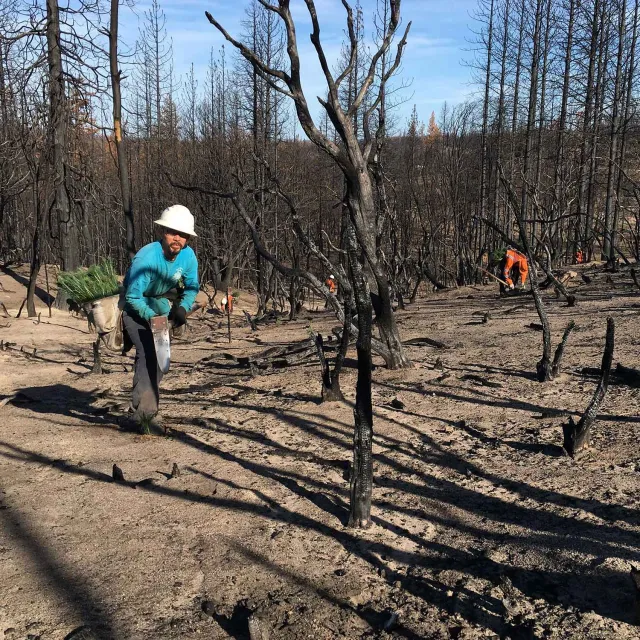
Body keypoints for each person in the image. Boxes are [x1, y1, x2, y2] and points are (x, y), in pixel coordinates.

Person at [122, 204, 199, 432]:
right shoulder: (146, 258)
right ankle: (145, 417)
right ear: (163, 232)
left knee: (161, 360)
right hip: (136, 310)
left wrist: (183, 308)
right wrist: (152, 317)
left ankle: (140, 408)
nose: (177, 238)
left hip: (160, 309)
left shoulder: (188, 257)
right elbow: (133, 296)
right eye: (173, 232)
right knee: (149, 355)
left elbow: (193, 286)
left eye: (183, 234)